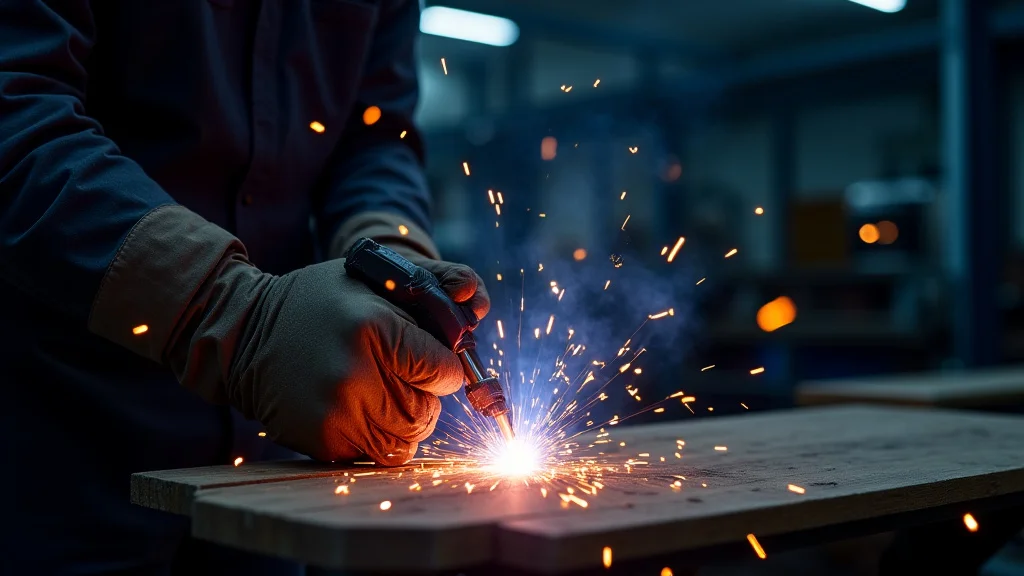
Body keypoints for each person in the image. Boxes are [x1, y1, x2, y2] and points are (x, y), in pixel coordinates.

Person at [0, 1, 489, 574]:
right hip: (70, 441)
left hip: (279, 451)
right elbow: (17, 110)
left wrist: (390, 260)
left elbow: (376, 140)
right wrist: (233, 314)